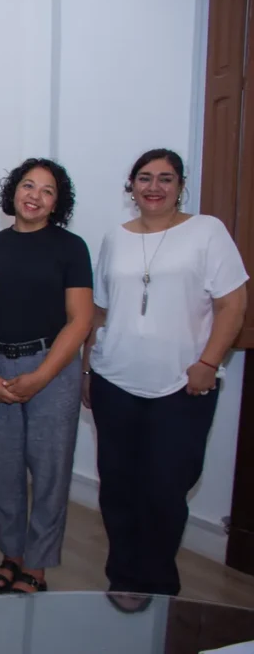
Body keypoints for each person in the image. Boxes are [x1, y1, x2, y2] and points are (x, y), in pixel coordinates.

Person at [82, 148, 248, 596]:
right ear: (131, 186)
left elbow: (233, 304)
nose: (154, 187)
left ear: (180, 186)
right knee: (117, 488)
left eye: (166, 178)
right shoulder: (115, 238)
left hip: (183, 386)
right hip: (114, 381)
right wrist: (87, 371)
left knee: (165, 490)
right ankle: (122, 580)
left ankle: (157, 588)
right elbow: (100, 312)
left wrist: (208, 363)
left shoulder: (207, 231)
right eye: (145, 178)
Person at [0, 158, 94, 594]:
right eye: (28, 185)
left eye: (47, 190)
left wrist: (40, 377)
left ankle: (37, 565)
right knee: (3, 473)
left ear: (57, 203)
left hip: (52, 369)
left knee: (49, 472)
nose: (35, 196)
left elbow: (80, 321)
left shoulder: (71, 248)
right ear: (14, 191)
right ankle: (12, 556)